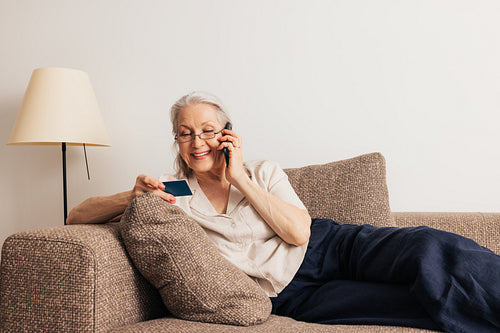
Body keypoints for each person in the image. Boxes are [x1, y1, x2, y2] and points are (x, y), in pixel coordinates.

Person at [68, 91, 500, 332]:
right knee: (411, 304)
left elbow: (298, 232)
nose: (196, 142)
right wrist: (131, 196)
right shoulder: (174, 194)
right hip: (291, 294)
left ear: (227, 135)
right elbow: (77, 216)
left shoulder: (260, 171)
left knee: (428, 247)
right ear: (176, 142)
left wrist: (239, 179)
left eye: (207, 130)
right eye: (184, 134)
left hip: (332, 246)